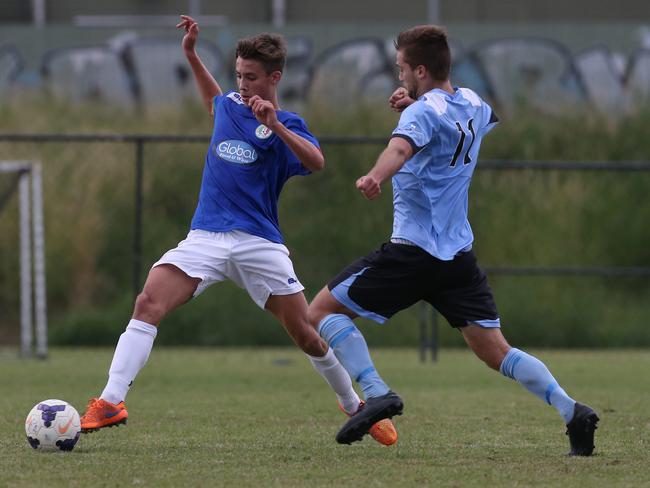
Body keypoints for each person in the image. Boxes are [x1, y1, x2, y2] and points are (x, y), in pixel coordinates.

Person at [80, 15, 396, 446]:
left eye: (251, 76)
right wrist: (191, 55)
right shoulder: (228, 105)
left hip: (259, 242)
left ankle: (355, 405)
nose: (243, 84)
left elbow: (317, 162)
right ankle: (111, 400)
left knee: (306, 332)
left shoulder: (290, 125)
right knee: (148, 302)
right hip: (206, 236)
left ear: (274, 76)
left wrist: (277, 124)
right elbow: (213, 98)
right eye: (238, 75)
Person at [307, 24, 599, 455]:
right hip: (457, 257)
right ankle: (571, 409)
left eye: (402, 68)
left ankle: (376, 391)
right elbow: (450, 126)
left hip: (412, 251)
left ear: (420, 69)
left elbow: (402, 149)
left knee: (321, 311)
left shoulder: (419, 114)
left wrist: (375, 175)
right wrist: (418, 102)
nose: (399, 75)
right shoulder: (476, 104)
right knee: (496, 352)